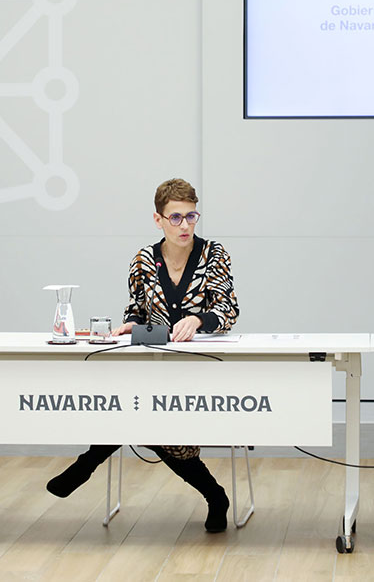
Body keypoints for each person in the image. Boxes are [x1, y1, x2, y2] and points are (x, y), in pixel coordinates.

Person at [45, 178, 240, 532]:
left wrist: (198, 319)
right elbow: (137, 308)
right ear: (158, 220)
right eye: (176, 218)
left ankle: (87, 463)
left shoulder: (214, 254)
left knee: (143, 417)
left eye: (191, 216)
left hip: (200, 370)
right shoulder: (144, 260)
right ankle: (215, 496)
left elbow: (227, 310)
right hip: (155, 367)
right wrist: (128, 325)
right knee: (140, 412)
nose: (185, 225)